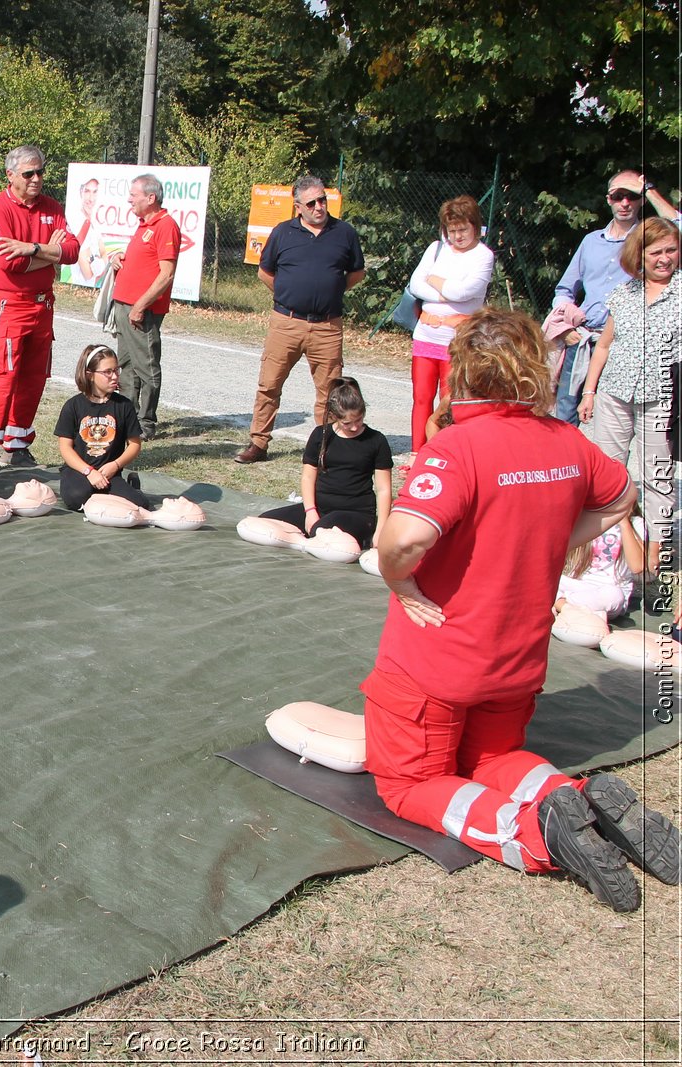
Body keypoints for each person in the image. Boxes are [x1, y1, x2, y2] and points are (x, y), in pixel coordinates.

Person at [364, 307, 675, 912]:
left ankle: (538, 834)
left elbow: (402, 539)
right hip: (518, 663)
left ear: (465, 371)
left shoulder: (457, 446)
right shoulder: (567, 442)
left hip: (437, 667)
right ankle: (573, 797)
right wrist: (558, 534)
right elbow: (623, 495)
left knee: (410, 784)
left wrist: (400, 583)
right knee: (494, 756)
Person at [236, 175, 365, 464]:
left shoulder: (344, 233)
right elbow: (264, 272)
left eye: (323, 200)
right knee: (269, 384)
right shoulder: (283, 233)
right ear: (298, 207)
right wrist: (287, 294)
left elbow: (357, 273)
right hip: (286, 322)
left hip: (328, 326)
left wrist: (331, 290)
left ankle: (325, 447)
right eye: (312, 202)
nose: (319, 207)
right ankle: (258, 443)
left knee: (330, 390)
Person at [578, 217, 680, 575]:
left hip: (662, 399)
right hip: (615, 394)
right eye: (656, 252)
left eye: (671, 250)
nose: (664, 258)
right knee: (608, 471)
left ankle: (655, 557)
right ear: (640, 254)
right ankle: (601, 549)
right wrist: (589, 391)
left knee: (657, 477)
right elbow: (604, 346)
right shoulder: (624, 294)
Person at [0, 145, 80, 468]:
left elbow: (71, 252)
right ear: (11, 175)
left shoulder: (51, 207)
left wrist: (32, 248)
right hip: (10, 303)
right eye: (29, 173)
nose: (36, 179)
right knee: (7, 374)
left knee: (35, 376)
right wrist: (49, 255)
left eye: (40, 172)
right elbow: (9, 265)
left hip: (43, 305)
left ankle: (17, 444)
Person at [552, 170, 681, 425]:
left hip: (623, 346)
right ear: (608, 199)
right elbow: (564, 290)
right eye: (618, 196)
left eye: (632, 196)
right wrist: (566, 324)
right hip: (583, 340)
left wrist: (649, 190)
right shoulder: (590, 242)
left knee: (614, 425)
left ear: (641, 200)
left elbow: (678, 226)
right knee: (565, 418)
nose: (625, 203)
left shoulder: (649, 243)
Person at [255, 377, 392, 548]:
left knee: (320, 530)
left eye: (359, 420)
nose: (355, 427)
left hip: (356, 513)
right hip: (321, 507)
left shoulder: (376, 440)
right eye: (347, 423)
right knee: (264, 521)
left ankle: (312, 539)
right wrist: (310, 512)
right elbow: (308, 477)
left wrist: (381, 530)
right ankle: (303, 539)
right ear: (334, 416)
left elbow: (384, 489)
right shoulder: (321, 435)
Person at [405, 195, 494, 456]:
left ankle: (445, 453)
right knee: (421, 397)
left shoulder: (483, 256)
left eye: (463, 229)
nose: (457, 236)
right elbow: (416, 285)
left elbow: (466, 291)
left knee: (450, 399)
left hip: (458, 339)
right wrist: (447, 291)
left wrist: (436, 283)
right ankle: (417, 452)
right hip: (425, 334)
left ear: (475, 226)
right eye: (452, 230)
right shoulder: (436, 249)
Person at [106, 173, 182, 440]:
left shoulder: (166, 225)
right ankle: (129, 417)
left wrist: (140, 305)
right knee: (126, 365)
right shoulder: (144, 225)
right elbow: (143, 262)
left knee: (146, 366)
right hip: (125, 306)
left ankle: (146, 422)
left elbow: (166, 274)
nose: (129, 199)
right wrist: (119, 259)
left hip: (142, 310)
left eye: (134, 195)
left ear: (151, 198)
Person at [53, 344, 156, 512]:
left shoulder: (124, 406)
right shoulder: (73, 406)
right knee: (77, 499)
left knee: (139, 505)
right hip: (79, 470)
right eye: (107, 372)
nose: (114, 376)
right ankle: (101, 496)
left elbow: (135, 445)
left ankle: (130, 487)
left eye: (116, 370)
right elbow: (65, 447)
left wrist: (115, 465)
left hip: (109, 473)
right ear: (90, 375)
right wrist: (88, 471)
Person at [556, 515, 645, 619]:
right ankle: (573, 609)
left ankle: (560, 604)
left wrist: (624, 523)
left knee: (613, 596)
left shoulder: (636, 523)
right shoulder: (587, 515)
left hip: (606, 593)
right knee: (540, 578)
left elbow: (637, 567)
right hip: (576, 585)